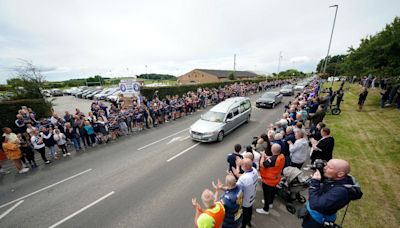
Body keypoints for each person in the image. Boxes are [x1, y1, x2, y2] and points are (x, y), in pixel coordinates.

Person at [302, 159, 362, 227]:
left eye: (329, 167)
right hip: (319, 212)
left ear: (340, 174)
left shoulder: (341, 192)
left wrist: (315, 182)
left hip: (317, 220)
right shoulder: (339, 178)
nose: (324, 168)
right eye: (326, 165)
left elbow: (315, 205)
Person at [256, 144, 285, 215]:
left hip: (268, 181)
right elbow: (273, 160)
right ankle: (270, 203)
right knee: (272, 192)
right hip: (276, 179)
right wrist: (267, 157)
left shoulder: (272, 160)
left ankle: (265, 209)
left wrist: (263, 156)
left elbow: (262, 164)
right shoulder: (281, 156)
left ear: (272, 150)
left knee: (266, 194)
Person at [232, 158, 258, 228]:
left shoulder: (244, 179)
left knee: (244, 215)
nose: (241, 166)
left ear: (246, 166)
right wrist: (237, 171)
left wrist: (232, 178)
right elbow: (244, 176)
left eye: (242, 165)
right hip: (252, 195)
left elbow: (235, 188)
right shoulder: (254, 170)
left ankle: (243, 226)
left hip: (245, 200)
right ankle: (249, 222)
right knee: (250, 211)